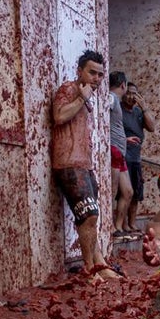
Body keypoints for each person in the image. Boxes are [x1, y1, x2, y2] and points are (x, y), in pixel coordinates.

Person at [50, 49, 120, 281]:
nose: (96, 79)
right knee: (89, 215)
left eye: (100, 75)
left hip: (84, 165)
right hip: (68, 164)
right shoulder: (69, 89)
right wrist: (81, 98)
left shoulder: (86, 95)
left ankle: (99, 264)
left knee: (92, 217)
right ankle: (90, 270)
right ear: (80, 71)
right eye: (92, 73)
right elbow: (59, 116)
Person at [121, 82, 155, 234]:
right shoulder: (118, 109)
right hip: (123, 157)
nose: (131, 97)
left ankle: (132, 223)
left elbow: (152, 127)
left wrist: (144, 107)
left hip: (136, 158)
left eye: (134, 94)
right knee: (124, 193)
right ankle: (122, 224)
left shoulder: (138, 112)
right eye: (128, 93)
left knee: (136, 193)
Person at [107, 71, 134, 237]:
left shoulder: (114, 99)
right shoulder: (111, 97)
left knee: (128, 191)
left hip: (119, 151)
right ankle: (109, 226)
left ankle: (118, 226)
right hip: (113, 150)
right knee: (112, 190)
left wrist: (125, 139)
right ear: (123, 85)